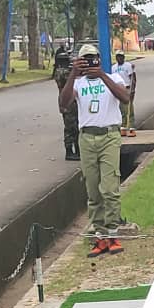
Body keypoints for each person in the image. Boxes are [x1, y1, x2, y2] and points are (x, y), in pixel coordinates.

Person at [59, 44, 132, 258]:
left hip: (109, 136)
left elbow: (125, 98)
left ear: (99, 60)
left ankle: (113, 234)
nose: (89, 62)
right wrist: (73, 73)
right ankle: (99, 236)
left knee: (110, 189)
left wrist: (101, 75)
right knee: (93, 191)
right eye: (85, 59)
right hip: (87, 138)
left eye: (93, 58)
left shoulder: (113, 78)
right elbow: (63, 104)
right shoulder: (78, 83)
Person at [53, 46, 79, 161]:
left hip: (62, 99)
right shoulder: (65, 72)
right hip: (70, 100)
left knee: (68, 126)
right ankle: (73, 151)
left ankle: (71, 150)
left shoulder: (57, 72)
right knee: (73, 127)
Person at [111, 51, 136, 137]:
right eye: (118, 56)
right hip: (117, 89)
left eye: (121, 56)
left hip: (127, 88)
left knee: (129, 108)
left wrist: (133, 90)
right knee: (120, 109)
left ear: (124, 57)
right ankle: (123, 127)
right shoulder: (113, 67)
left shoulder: (128, 66)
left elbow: (133, 78)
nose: (120, 58)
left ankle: (131, 128)